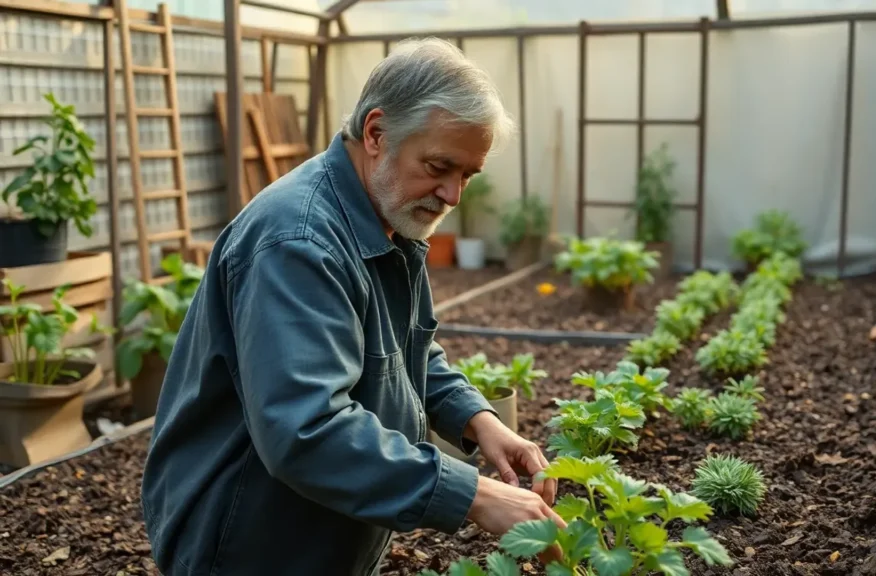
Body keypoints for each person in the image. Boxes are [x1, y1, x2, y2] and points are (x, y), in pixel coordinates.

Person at [140, 38, 565, 576]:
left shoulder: (384, 213)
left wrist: (478, 419)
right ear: (375, 133)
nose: (454, 194)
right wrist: (475, 496)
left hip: (309, 530)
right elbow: (306, 429)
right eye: (439, 166)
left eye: (468, 175)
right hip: (250, 543)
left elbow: (405, 347)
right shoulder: (298, 244)